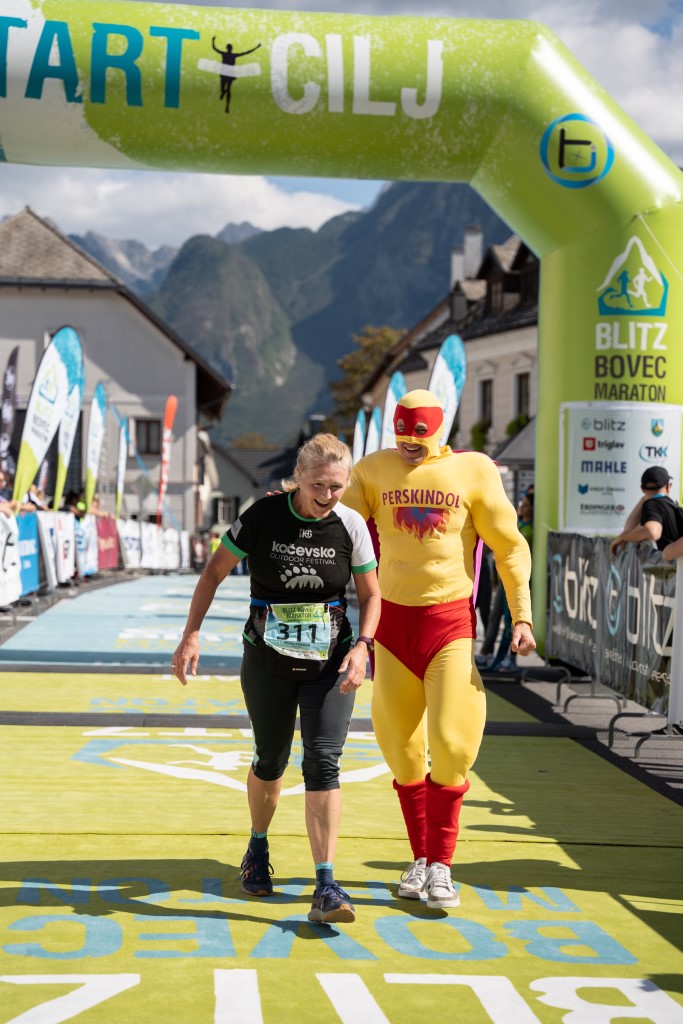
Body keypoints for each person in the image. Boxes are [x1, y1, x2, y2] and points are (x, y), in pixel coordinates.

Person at [171, 434, 380, 924]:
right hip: (266, 657)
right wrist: (191, 634)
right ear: (298, 478)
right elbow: (214, 572)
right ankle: (258, 846)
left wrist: (363, 646)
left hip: (329, 661)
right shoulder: (262, 515)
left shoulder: (350, 524)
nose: (327, 495)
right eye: (318, 485)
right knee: (271, 759)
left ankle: (326, 884)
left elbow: (372, 594)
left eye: (337, 486)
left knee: (323, 760)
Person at [343, 389, 535, 910]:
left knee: (452, 743)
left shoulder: (474, 470)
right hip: (391, 626)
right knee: (401, 752)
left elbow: (509, 546)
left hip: (448, 624)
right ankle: (422, 859)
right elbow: (333, 526)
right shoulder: (372, 470)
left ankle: (442, 865)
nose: (409, 446)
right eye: (402, 436)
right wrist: (291, 506)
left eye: (418, 438)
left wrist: (521, 615)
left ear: (438, 431)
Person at [489, 488, 534, 672]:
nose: (523, 507)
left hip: (518, 580)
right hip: (503, 578)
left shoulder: (532, 528)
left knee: (512, 621)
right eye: (522, 504)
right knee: (497, 617)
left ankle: (508, 658)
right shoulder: (517, 522)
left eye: (527, 505)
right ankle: (499, 658)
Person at [610, 466, 682, 556]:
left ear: (642, 488)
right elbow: (629, 530)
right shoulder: (672, 507)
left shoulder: (653, 505)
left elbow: (652, 532)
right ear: (668, 486)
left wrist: (622, 537)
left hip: (668, 563)